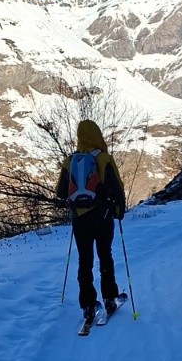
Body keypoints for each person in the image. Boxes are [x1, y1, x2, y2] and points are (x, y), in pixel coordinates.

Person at [55, 119, 126, 325]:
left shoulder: (70, 161)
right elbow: (117, 188)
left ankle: (87, 305)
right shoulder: (104, 159)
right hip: (102, 216)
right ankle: (110, 298)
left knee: (84, 261)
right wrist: (118, 211)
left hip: (80, 219)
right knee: (105, 256)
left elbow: (60, 193)